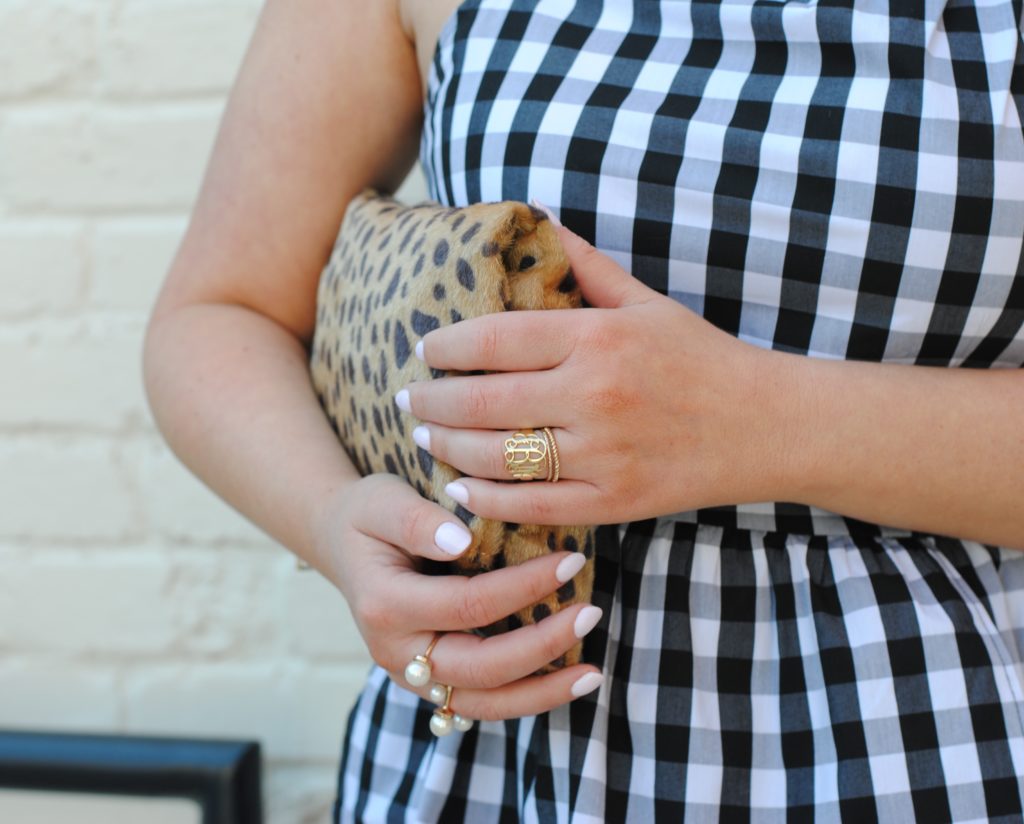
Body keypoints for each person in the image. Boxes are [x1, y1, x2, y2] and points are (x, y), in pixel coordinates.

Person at [143, 0, 1024, 820]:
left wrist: (760, 423)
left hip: (932, 736)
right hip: (498, 745)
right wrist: (335, 522)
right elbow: (224, 308)